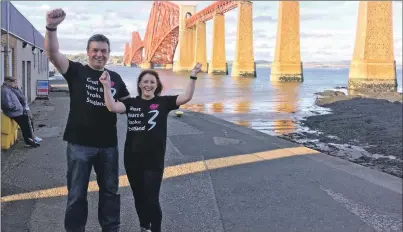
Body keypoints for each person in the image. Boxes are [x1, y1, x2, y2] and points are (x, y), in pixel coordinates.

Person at [45, 8, 130, 232]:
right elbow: (53, 54)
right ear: (88, 52)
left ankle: (111, 229)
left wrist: (155, 102)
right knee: (76, 195)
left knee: (110, 192)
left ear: (109, 53)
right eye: (95, 50)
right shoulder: (76, 71)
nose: (99, 54)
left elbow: (128, 105)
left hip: (108, 146)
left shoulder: (117, 78)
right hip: (79, 144)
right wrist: (51, 27)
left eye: (104, 51)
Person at [99, 63, 202, 232]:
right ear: (139, 84)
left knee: (152, 199)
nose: (148, 85)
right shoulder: (131, 103)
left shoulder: (164, 102)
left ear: (157, 85)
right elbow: (112, 106)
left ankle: (156, 229)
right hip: (132, 159)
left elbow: (186, 97)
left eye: (152, 82)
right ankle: (144, 227)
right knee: (139, 197)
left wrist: (193, 75)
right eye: (145, 82)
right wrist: (105, 86)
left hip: (154, 159)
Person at [1, 76, 39, 147]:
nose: (14, 83)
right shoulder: (4, 90)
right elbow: (7, 104)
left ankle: (31, 139)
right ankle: (29, 142)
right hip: (13, 112)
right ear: (7, 82)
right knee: (25, 125)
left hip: (17, 111)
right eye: (13, 82)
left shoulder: (9, 89)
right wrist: (17, 107)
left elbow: (21, 97)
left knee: (27, 122)